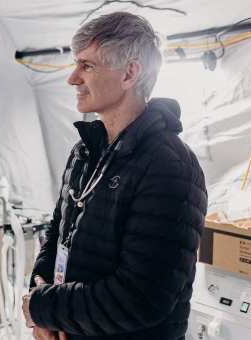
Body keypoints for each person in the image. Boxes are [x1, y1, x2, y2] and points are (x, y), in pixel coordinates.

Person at [22, 12, 207, 340]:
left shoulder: (169, 165)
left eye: (87, 66)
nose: (72, 78)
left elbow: (141, 297)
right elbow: (57, 231)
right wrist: (42, 290)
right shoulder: (84, 150)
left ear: (130, 73)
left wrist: (44, 308)